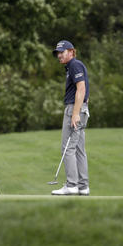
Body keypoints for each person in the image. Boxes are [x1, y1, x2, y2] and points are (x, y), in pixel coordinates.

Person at [51, 40, 90, 196]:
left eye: (62, 52)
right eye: (58, 53)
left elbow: (81, 89)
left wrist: (75, 113)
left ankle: (72, 185)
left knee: (67, 148)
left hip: (74, 109)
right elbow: (85, 89)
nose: (59, 55)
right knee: (79, 149)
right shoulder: (73, 67)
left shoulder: (75, 65)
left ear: (72, 52)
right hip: (81, 109)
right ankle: (83, 186)